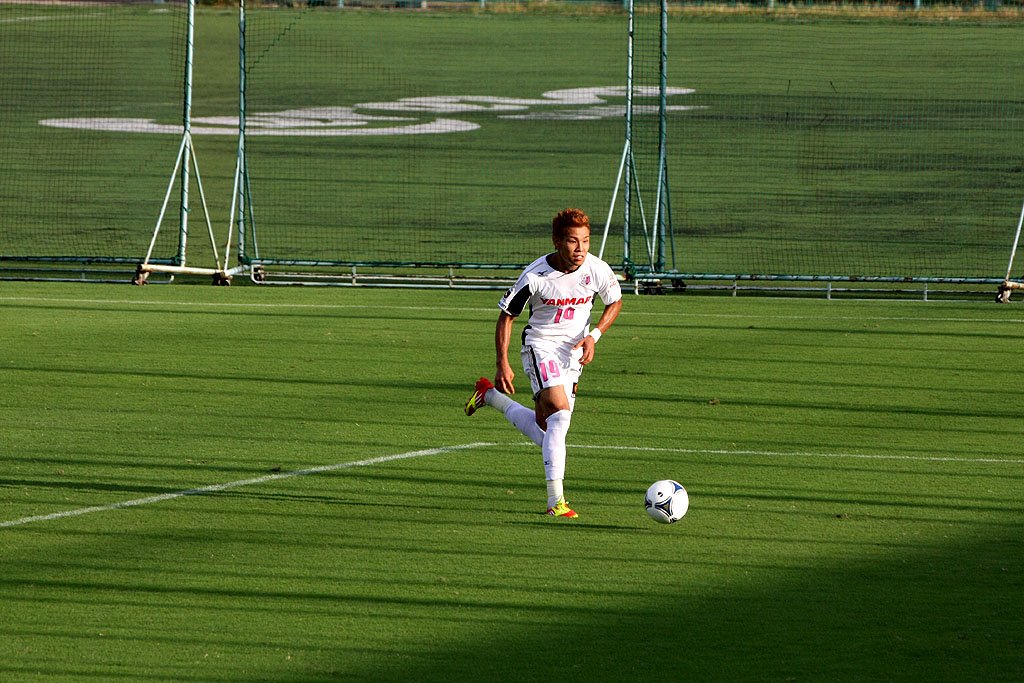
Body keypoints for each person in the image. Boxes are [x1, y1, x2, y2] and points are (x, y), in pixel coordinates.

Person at [464, 208, 622, 518]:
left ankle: (490, 396)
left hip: (573, 354)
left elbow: (614, 301)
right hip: (540, 346)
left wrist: (594, 336)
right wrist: (502, 363)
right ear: (557, 241)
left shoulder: (597, 269)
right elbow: (507, 316)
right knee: (560, 417)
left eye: (586, 241)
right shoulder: (535, 276)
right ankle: (555, 502)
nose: (580, 249)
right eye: (573, 241)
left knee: (548, 431)